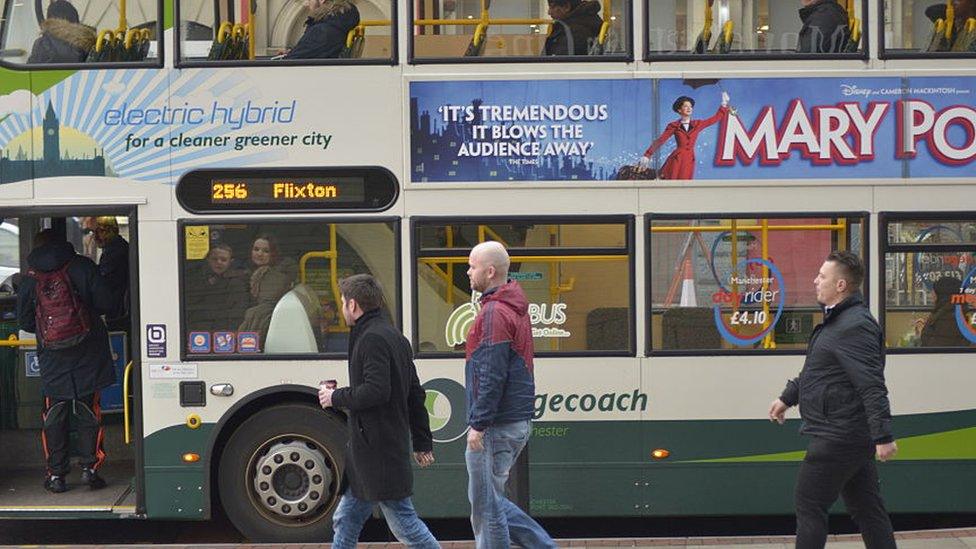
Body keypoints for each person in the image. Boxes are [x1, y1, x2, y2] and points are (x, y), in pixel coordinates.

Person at [768, 251, 897, 549]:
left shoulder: (854, 326)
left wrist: (883, 435)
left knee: (809, 505)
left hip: (839, 434)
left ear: (841, 285)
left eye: (822, 276)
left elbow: (872, 384)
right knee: (868, 510)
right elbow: (819, 372)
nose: (815, 280)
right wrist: (787, 398)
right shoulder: (839, 323)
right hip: (848, 433)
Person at [317, 274, 440, 548]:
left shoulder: (371, 339)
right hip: (370, 450)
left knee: (405, 525)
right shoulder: (393, 336)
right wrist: (421, 440)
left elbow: (376, 390)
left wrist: (335, 397)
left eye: (342, 303)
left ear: (352, 305)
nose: (341, 308)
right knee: (346, 518)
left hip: (378, 450)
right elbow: (414, 392)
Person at [464, 241, 556, 549]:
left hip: (495, 425)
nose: (467, 272)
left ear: (489, 272)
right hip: (512, 421)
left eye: (472, 266)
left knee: (487, 508)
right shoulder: (513, 306)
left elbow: (492, 373)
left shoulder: (494, 313)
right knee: (491, 502)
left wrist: (478, 423)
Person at [17, 229, 115, 493]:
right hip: (88, 353)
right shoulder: (82, 266)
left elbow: (25, 321)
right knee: (88, 411)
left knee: (54, 415)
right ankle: (90, 469)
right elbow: (107, 303)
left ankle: (56, 475)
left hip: (52, 357)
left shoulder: (29, 278)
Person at [639, 92, 730, 180]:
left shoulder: (697, 124)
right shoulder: (673, 125)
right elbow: (661, 140)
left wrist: (724, 103)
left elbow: (715, 119)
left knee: (685, 184)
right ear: (679, 110)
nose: (689, 108)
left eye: (690, 106)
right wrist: (647, 154)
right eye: (686, 106)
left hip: (689, 159)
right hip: (677, 159)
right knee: (671, 182)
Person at [238, 234, 296, 347]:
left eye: (266, 251)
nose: (259, 253)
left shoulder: (277, 275)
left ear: (273, 254)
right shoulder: (245, 272)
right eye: (256, 249)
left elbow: (266, 303)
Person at [184, 243, 249, 334]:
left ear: (231, 262)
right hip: (197, 329)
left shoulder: (236, 283)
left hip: (224, 330)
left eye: (223, 260)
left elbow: (237, 311)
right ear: (208, 260)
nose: (219, 262)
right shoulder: (197, 280)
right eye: (214, 259)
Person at [83, 216, 129, 331]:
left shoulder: (116, 252)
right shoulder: (114, 249)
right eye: (94, 232)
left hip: (119, 311)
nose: (96, 237)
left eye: (101, 231)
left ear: (113, 231)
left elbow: (103, 281)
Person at [282, 0, 360, 59]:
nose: (306, 4)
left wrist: (288, 56)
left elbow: (293, 60)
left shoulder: (321, 31)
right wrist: (293, 52)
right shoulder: (338, 23)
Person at [28, 0, 94, 64]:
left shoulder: (42, 44)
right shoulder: (91, 43)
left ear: (50, 20)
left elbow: (29, 70)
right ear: (75, 18)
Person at [920, 275, 970, 347]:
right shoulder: (951, 312)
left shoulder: (949, 318)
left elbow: (935, 347)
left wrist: (923, 332)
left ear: (943, 295)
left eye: (935, 292)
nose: (932, 295)